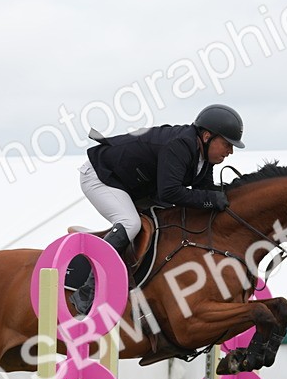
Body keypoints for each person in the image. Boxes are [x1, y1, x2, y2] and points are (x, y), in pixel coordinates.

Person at [67, 103, 245, 313]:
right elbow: (170, 192)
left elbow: (203, 193)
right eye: (227, 144)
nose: (230, 151)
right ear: (207, 136)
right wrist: (211, 199)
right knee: (130, 223)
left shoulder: (204, 157)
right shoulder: (180, 145)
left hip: (134, 186)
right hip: (101, 176)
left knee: (169, 222)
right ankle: (88, 289)